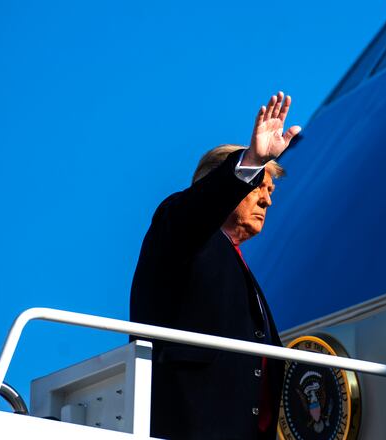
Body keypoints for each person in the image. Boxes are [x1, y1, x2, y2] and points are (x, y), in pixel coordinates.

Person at [130, 91, 301, 440]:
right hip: (190, 426)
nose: (268, 199)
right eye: (259, 186)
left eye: (270, 190)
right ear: (217, 181)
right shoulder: (180, 229)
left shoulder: (238, 267)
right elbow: (197, 210)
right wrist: (251, 160)